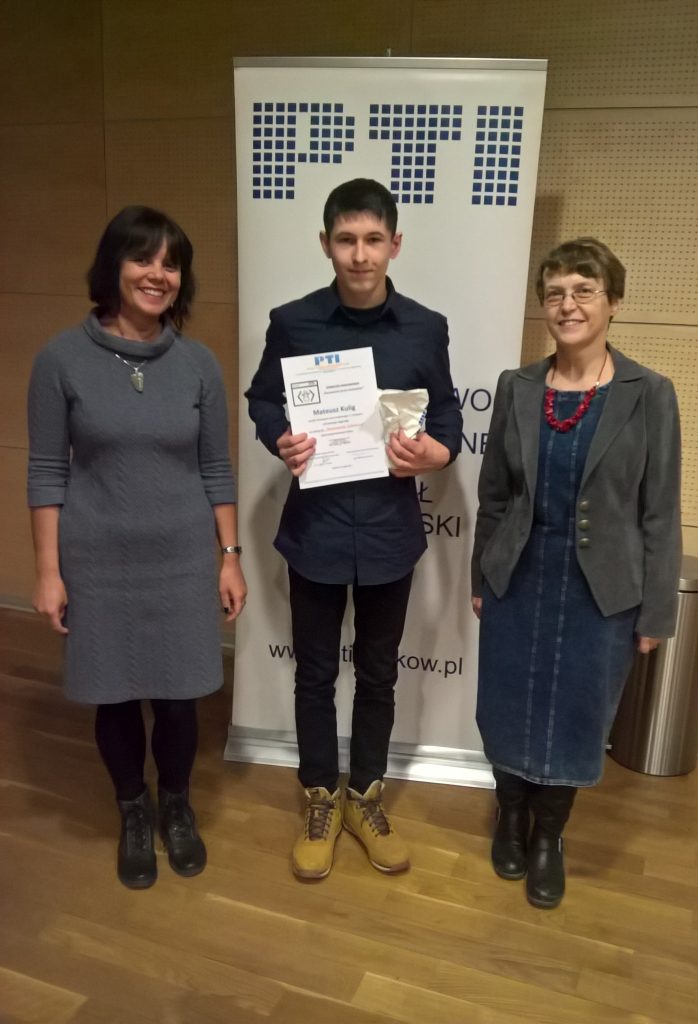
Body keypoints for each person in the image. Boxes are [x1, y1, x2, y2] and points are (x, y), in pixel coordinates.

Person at [246, 178, 462, 879]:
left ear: (394, 244)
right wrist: (279, 437)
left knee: (377, 675)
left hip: (390, 533)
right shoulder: (293, 322)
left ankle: (365, 795)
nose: (360, 254)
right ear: (325, 244)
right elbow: (263, 399)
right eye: (346, 240)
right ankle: (320, 796)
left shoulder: (425, 328)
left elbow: (448, 415)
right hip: (316, 530)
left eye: (372, 239)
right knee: (313, 674)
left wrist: (435, 455)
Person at [27, 206, 247, 890]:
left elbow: (216, 468)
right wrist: (48, 571)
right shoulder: (60, 359)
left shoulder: (198, 365)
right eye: (143, 259)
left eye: (171, 264)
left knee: (180, 699)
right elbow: (47, 471)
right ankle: (132, 808)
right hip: (98, 561)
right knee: (116, 696)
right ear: (113, 268)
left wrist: (230, 555)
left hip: (182, 560)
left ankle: (175, 804)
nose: (158, 274)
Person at [471, 238, 681, 909]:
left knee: (576, 716)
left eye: (584, 291)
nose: (568, 305)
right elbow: (494, 496)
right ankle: (509, 817)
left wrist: (656, 611)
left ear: (612, 302)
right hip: (517, 579)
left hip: (602, 593)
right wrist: (480, 577)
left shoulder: (649, 394)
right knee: (507, 705)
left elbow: (659, 511)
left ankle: (548, 838)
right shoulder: (517, 387)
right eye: (556, 293)